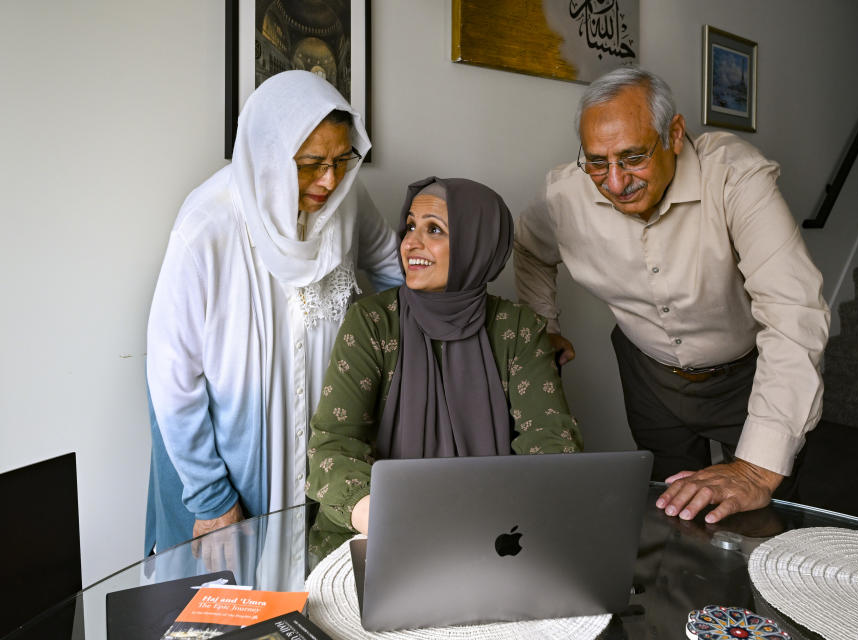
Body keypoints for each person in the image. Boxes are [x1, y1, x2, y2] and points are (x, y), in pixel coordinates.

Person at [514, 67, 829, 524]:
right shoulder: (564, 195)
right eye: (598, 162)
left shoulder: (735, 177)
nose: (617, 183)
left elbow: (793, 313)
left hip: (747, 374)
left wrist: (756, 471)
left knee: (764, 518)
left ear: (674, 134)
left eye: (633, 157)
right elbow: (528, 248)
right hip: (649, 378)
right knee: (672, 511)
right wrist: (546, 326)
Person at [145, 70, 404, 555]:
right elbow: (171, 378)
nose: (329, 181)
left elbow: (396, 276)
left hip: (324, 458)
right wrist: (211, 499)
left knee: (316, 611)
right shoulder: (207, 226)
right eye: (310, 164)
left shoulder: (348, 202)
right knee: (232, 613)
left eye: (342, 161)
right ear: (268, 155)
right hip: (235, 473)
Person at [306, 177, 583, 560]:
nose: (410, 243)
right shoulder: (372, 322)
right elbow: (332, 447)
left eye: (433, 229)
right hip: (383, 537)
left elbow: (552, 442)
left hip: (496, 541)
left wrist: (488, 524)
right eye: (410, 226)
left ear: (477, 244)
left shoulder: (518, 329)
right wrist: (392, 518)